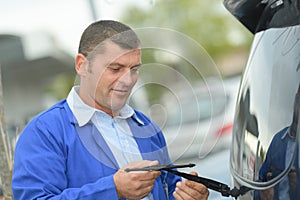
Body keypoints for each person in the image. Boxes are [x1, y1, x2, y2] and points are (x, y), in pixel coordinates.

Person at [12, 20, 209, 200]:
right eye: (115, 69)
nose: (128, 80)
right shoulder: (44, 132)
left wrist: (186, 195)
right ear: (82, 65)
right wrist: (112, 189)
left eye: (134, 69)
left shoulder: (146, 127)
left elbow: (167, 188)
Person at [257, 84, 300, 200]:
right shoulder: (278, 140)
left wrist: (296, 186)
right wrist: (263, 193)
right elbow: (259, 183)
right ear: (295, 100)